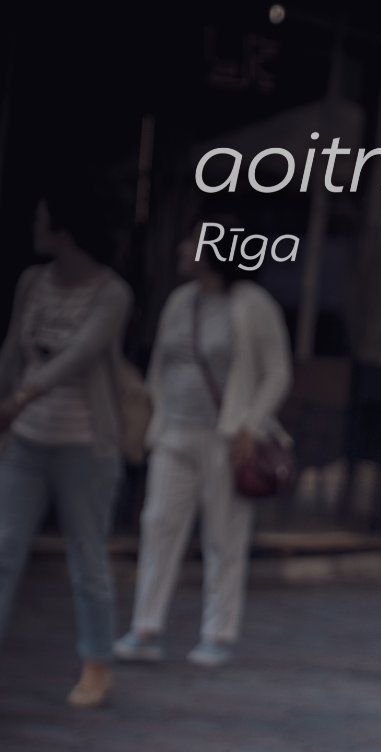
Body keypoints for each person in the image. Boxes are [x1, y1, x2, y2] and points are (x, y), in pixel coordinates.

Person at [115, 219, 292, 670]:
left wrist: (249, 425)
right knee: (158, 523)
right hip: (174, 430)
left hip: (227, 439)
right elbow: (162, 366)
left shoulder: (252, 304)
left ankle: (218, 632)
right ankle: (146, 626)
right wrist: (151, 422)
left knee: (224, 535)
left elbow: (277, 372)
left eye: (191, 240)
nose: (181, 247)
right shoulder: (180, 302)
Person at [0, 186, 133, 706]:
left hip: (84, 444)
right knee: (3, 550)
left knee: (87, 554)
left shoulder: (112, 292)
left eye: (42, 220)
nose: (35, 229)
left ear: (65, 232)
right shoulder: (33, 282)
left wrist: (21, 398)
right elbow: (14, 348)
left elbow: (80, 353)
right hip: (28, 441)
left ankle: (97, 660)